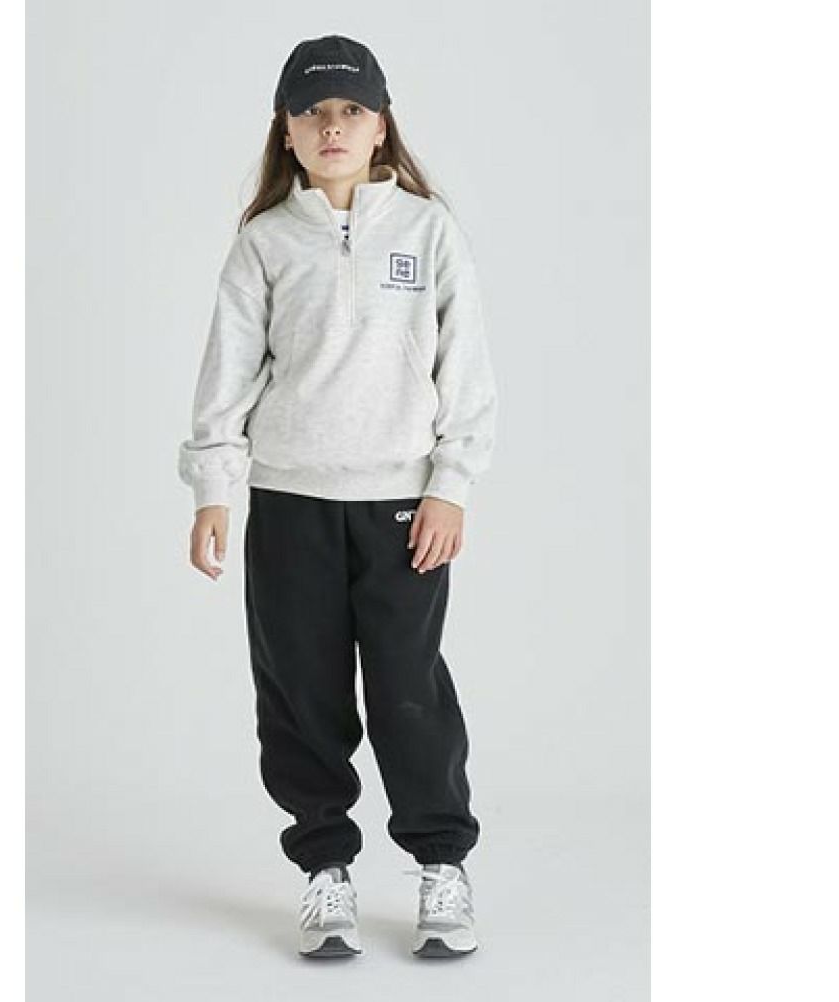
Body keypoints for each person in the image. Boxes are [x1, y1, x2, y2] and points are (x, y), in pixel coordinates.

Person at [178, 34, 498, 960]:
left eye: (351, 109)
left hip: (404, 508)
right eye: (312, 111)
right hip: (289, 504)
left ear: (381, 125)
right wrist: (213, 491)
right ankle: (325, 870)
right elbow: (227, 376)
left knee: (409, 692)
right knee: (301, 696)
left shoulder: (428, 233)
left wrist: (451, 486)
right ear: (284, 129)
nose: (332, 126)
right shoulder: (264, 243)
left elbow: (466, 372)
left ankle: (441, 864)